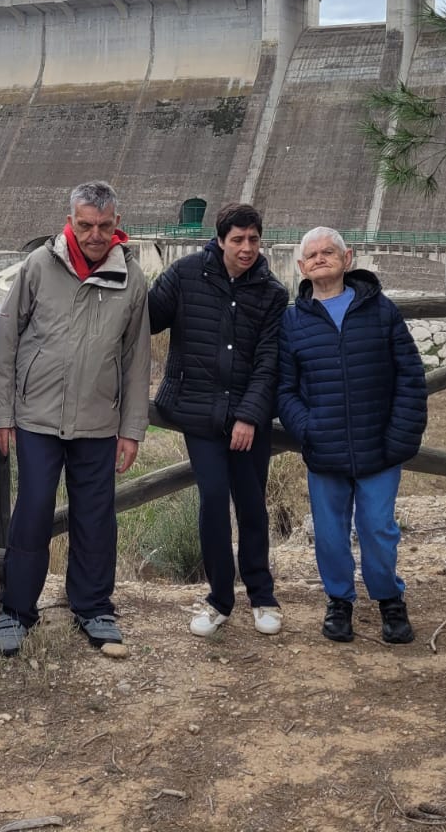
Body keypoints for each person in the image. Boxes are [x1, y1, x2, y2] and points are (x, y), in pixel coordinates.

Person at [0, 180, 150, 657]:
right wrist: (1, 413)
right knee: (32, 512)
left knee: (96, 517)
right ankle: (17, 611)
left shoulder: (132, 279)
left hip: (99, 423)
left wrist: (133, 429)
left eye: (103, 226)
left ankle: (94, 608)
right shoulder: (39, 265)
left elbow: (137, 360)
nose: (95, 235)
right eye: (85, 225)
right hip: (36, 419)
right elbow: (5, 345)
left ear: (116, 223)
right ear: (71, 221)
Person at [275, 227, 427, 646]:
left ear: (348, 258)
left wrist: (400, 435)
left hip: (379, 446)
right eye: (313, 254)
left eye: (329, 251)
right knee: (329, 531)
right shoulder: (292, 321)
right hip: (324, 448)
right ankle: (338, 602)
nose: (321, 258)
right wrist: (307, 428)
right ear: (302, 267)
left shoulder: (382, 312)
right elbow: (284, 390)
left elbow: (410, 378)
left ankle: (389, 601)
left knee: (378, 528)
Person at [148, 202, 288, 638]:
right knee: (212, 502)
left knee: (251, 506)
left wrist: (249, 415)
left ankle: (262, 595)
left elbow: (269, 362)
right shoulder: (186, 274)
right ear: (221, 239)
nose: (246, 249)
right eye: (237, 240)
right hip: (199, 411)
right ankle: (219, 600)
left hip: (249, 417)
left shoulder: (272, 292)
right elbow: (148, 319)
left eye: (253, 240)